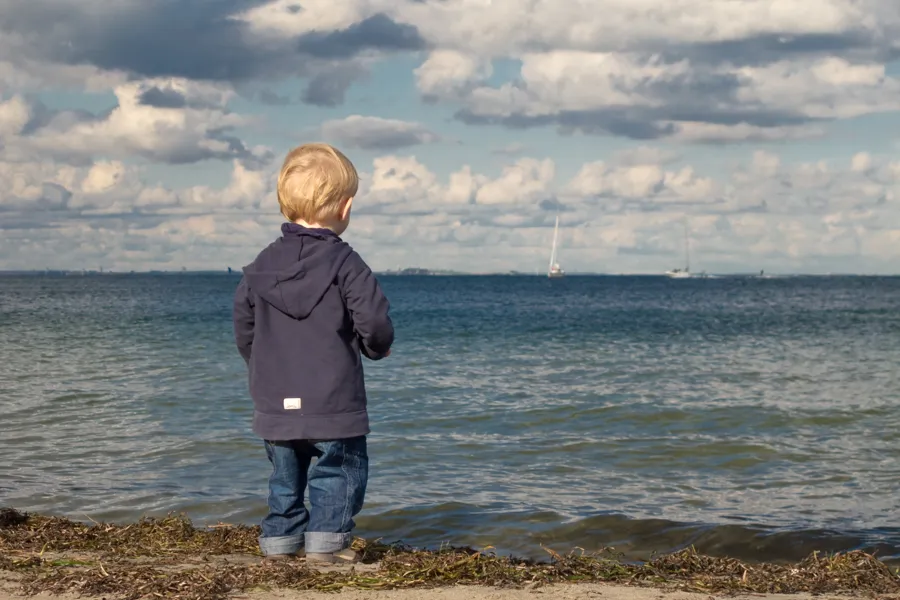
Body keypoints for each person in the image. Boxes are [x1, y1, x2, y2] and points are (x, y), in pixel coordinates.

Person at [232, 143, 394, 564]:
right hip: (333, 400)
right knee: (337, 470)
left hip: (274, 397)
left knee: (285, 476)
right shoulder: (346, 263)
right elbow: (373, 321)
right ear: (345, 206)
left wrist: (262, 366)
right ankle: (326, 545)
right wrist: (376, 348)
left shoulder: (260, 267)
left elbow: (244, 327)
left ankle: (280, 543)